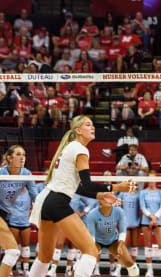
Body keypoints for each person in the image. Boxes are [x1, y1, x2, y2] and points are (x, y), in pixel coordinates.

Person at [29, 115, 134, 277]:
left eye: (92, 125)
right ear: (78, 130)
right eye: (87, 125)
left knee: (44, 257)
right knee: (91, 252)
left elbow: (78, 187)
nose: (92, 127)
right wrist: (118, 187)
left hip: (47, 202)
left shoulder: (70, 147)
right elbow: (88, 183)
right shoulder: (80, 149)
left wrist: (100, 196)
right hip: (57, 202)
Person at [0, 145, 39, 277]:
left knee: (12, 251)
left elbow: (35, 195)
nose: (22, 157)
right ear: (9, 158)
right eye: (18, 154)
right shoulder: (1, 173)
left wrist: (42, 209)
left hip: (6, 214)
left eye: (24, 154)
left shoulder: (26, 174)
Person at [85, 198, 139, 277]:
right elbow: (91, 236)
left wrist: (120, 246)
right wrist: (92, 250)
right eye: (104, 198)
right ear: (100, 200)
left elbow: (122, 231)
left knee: (131, 265)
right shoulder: (92, 214)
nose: (107, 200)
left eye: (109, 198)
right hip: (97, 241)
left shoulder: (119, 211)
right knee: (85, 262)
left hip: (113, 241)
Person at [139, 171, 161, 277]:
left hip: (157, 220)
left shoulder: (160, 192)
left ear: (156, 180)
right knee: (147, 245)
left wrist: (155, 217)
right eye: (149, 178)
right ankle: (150, 270)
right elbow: (143, 206)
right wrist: (150, 216)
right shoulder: (143, 192)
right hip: (146, 220)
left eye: (153, 179)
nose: (151, 181)